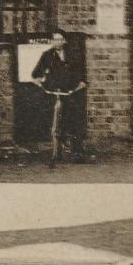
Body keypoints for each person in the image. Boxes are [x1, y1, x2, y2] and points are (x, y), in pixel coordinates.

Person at [31, 30, 86, 165]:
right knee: (55, 121)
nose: (58, 42)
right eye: (55, 39)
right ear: (52, 41)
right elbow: (36, 73)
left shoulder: (73, 54)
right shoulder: (47, 56)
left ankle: (77, 152)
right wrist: (38, 81)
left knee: (74, 121)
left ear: (64, 41)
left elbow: (81, 73)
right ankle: (57, 151)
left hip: (70, 91)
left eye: (60, 39)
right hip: (54, 91)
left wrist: (80, 84)